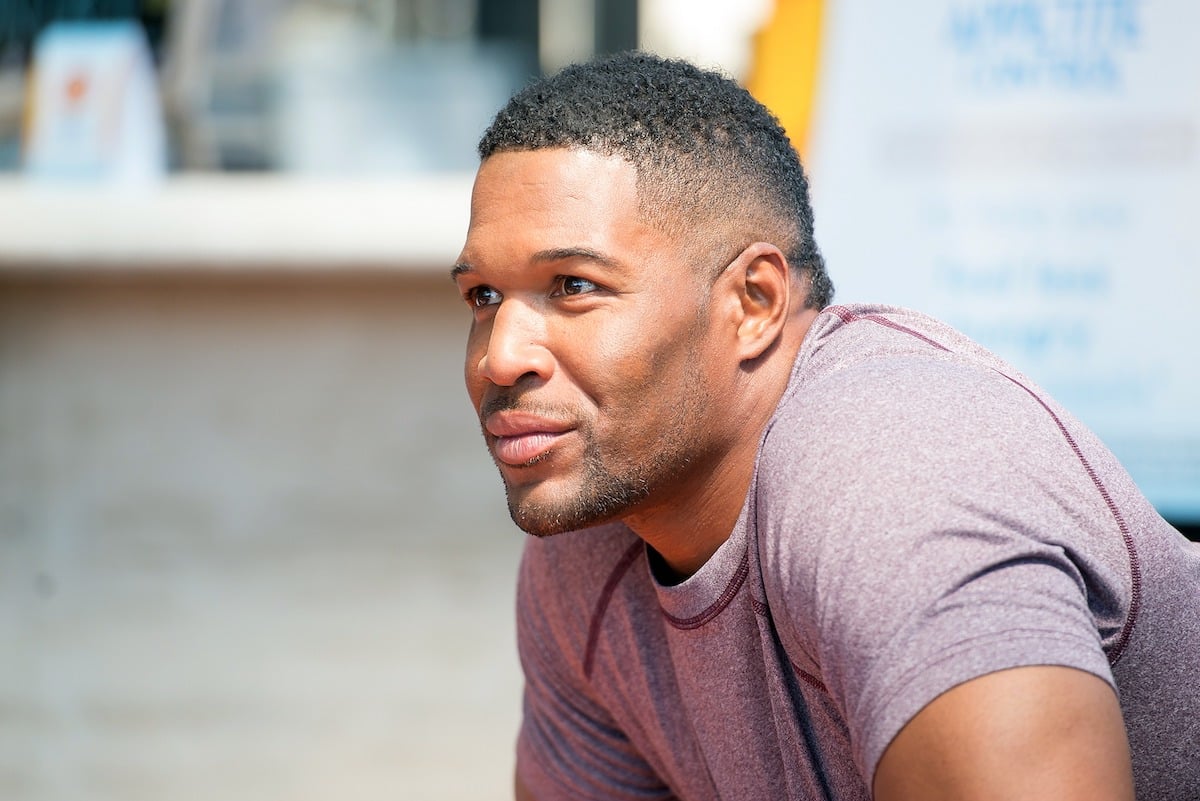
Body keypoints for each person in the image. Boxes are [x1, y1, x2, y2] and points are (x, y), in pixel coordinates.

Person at [450, 51, 1200, 801]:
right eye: (483, 295)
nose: (499, 355)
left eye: (574, 286)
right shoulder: (589, 546)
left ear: (754, 300)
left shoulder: (894, 474)